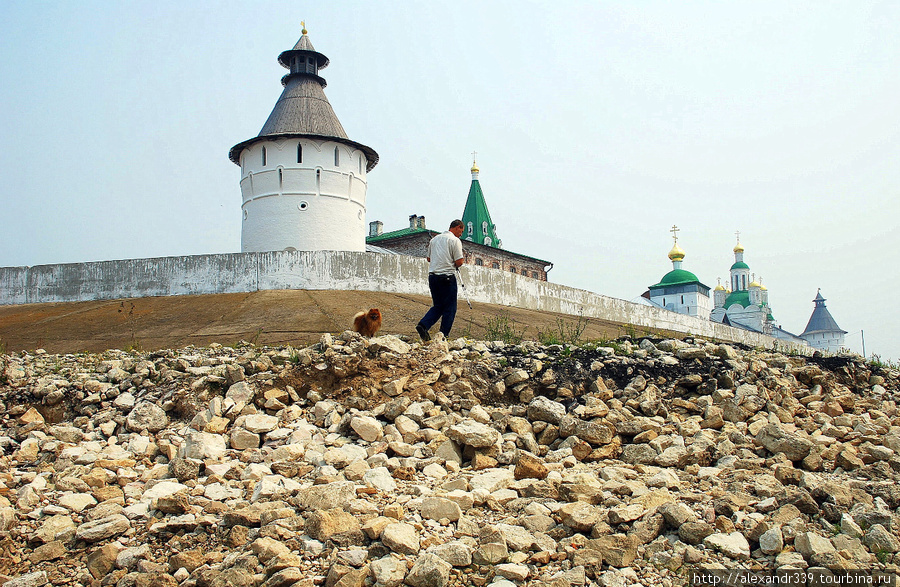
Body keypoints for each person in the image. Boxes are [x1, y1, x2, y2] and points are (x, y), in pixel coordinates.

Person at [416, 219, 465, 341]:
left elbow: (428, 259)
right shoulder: (455, 240)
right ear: (457, 227)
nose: (461, 234)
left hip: (433, 277)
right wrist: (450, 263)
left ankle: (423, 325)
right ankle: (443, 336)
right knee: (450, 308)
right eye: (461, 231)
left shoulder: (434, 240)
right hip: (447, 277)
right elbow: (459, 261)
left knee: (438, 305)